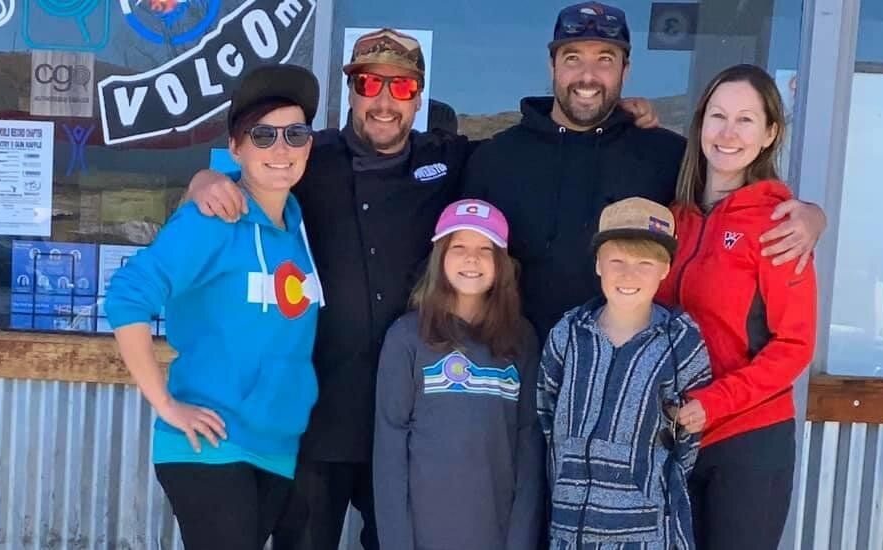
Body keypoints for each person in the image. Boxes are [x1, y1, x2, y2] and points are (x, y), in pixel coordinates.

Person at [183, 27, 659, 550]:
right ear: (351, 91)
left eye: (403, 87)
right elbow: (245, 173)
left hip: (414, 411)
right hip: (322, 413)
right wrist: (203, 181)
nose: (385, 102)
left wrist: (612, 120)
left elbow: (538, 142)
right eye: (370, 84)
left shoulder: (448, 159)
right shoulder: (307, 157)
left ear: (419, 98)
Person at [463, 1, 826, 341]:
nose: (588, 76)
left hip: (630, 372)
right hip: (516, 369)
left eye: (605, 60)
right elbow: (454, 255)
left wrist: (810, 215)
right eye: (572, 58)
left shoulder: (665, 156)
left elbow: (733, 198)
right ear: (552, 66)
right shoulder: (497, 159)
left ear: (626, 70)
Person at [104, 64, 324, 550]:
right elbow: (126, 296)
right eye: (263, 135)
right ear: (235, 148)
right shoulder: (212, 220)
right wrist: (166, 404)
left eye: (295, 134)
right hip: (211, 445)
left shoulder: (299, 228)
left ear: (310, 145)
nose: (281, 149)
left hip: (276, 446)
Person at [655, 64, 818, 550]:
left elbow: (793, 345)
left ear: (770, 134)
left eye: (746, 120)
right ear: (700, 124)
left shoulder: (779, 225)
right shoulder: (673, 219)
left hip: (747, 440)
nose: (728, 133)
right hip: (673, 437)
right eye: (718, 116)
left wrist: (714, 403)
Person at [538, 197, 712, 550]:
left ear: (665, 269)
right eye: (617, 260)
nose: (628, 275)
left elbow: (689, 438)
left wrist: (644, 489)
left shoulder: (680, 342)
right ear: (598, 264)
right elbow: (546, 411)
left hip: (645, 533)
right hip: (570, 529)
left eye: (645, 263)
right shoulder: (568, 334)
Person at [374, 199, 544, 549]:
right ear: (440, 257)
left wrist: (521, 540)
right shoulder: (407, 337)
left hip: (495, 532)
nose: (472, 259)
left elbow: (528, 446)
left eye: (485, 249)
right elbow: (389, 450)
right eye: (459, 247)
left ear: (502, 263)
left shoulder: (521, 338)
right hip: (424, 533)